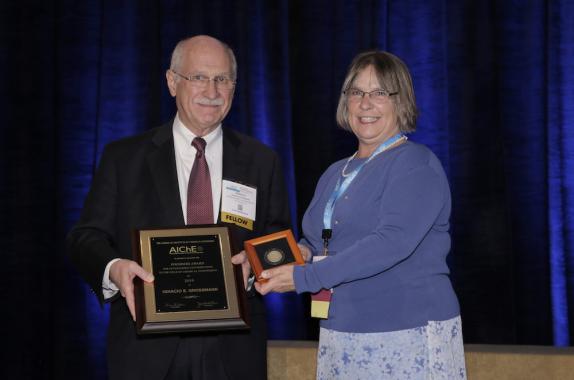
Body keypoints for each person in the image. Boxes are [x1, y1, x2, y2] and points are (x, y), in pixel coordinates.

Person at [67, 35, 291, 380]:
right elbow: (86, 237)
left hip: (233, 350)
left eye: (223, 79)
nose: (212, 90)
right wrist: (114, 269)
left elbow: (278, 236)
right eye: (199, 77)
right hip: (146, 350)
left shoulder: (262, 160)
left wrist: (256, 261)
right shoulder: (124, 158)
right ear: (172, 82)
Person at [255, 50, 467, 379]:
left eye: (380, 92)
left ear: (401, 101)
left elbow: (390, 243)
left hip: (405, 333)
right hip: (341, 331)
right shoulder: (335, 172)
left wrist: (304, 278)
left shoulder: (416, 164)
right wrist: (292, 256)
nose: (366, 103)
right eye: (357, 92)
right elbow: (318, 242)